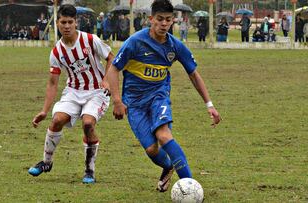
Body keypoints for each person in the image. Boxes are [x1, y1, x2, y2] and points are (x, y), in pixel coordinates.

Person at [105, 0, 221, 193]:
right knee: (151, 150)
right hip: (134, 103)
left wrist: (209, 104)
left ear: (172, 21)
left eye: (168, 20)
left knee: (164, 135)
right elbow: (113, 69)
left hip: (159, 97)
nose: (164, 24)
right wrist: (117, 101)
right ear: (151, 19)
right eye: (160, 19)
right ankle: (168, 166)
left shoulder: (175, 46)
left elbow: (194, 74)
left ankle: (190, 186)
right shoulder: (135, 42)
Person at [28, 4, 114, 184]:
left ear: (76, 22)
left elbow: (111, 58)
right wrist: (44, 110)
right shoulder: (57, 52)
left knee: (88, 123)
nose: (66, 26)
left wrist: (106, 79)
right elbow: (53, 82)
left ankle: (89, 171)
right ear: (57, 24)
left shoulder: (90, 40)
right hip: (73, 91)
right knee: (57, 120)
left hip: (97, 91)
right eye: (63, 22)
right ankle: (46, 162)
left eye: (70, 22)